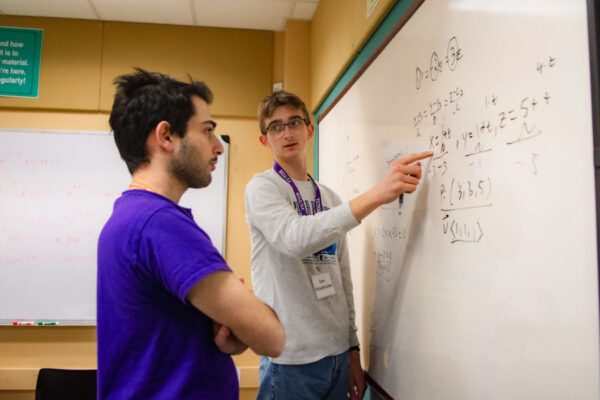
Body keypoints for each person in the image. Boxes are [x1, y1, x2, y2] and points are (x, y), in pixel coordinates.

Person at [97, 68, 285, 400]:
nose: (219, 147)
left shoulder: (129, 216)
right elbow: (272, 338)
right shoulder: (160, 224)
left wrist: (229, 329)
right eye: (208, 131)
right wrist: (246, 320)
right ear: (166, 136)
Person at [245, 90, 433, 400]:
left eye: (294, 122)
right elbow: (294, 238)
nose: (287, 132)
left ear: (309, 130)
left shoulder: (328, 198)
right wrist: (378, 194)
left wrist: (352, 349)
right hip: (291, 360)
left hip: (336, 357)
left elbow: (342, 279)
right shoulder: (262, 188)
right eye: (275, 126)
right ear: (265, 140)